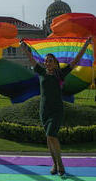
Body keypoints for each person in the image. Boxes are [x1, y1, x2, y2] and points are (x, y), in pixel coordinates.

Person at [20, 36, 92, 176]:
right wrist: (23, 47)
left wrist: (85, 45)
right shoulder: (41, 72)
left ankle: (60, 164)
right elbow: (31, 59)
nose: (47, 62)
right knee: (49, 137)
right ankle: (54, 163)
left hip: (56, 110)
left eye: (50, 60)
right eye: (46, 60)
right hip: (44, 109)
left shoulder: (60, 74)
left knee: (52, 135)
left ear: (55, 63)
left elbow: (75, 60)